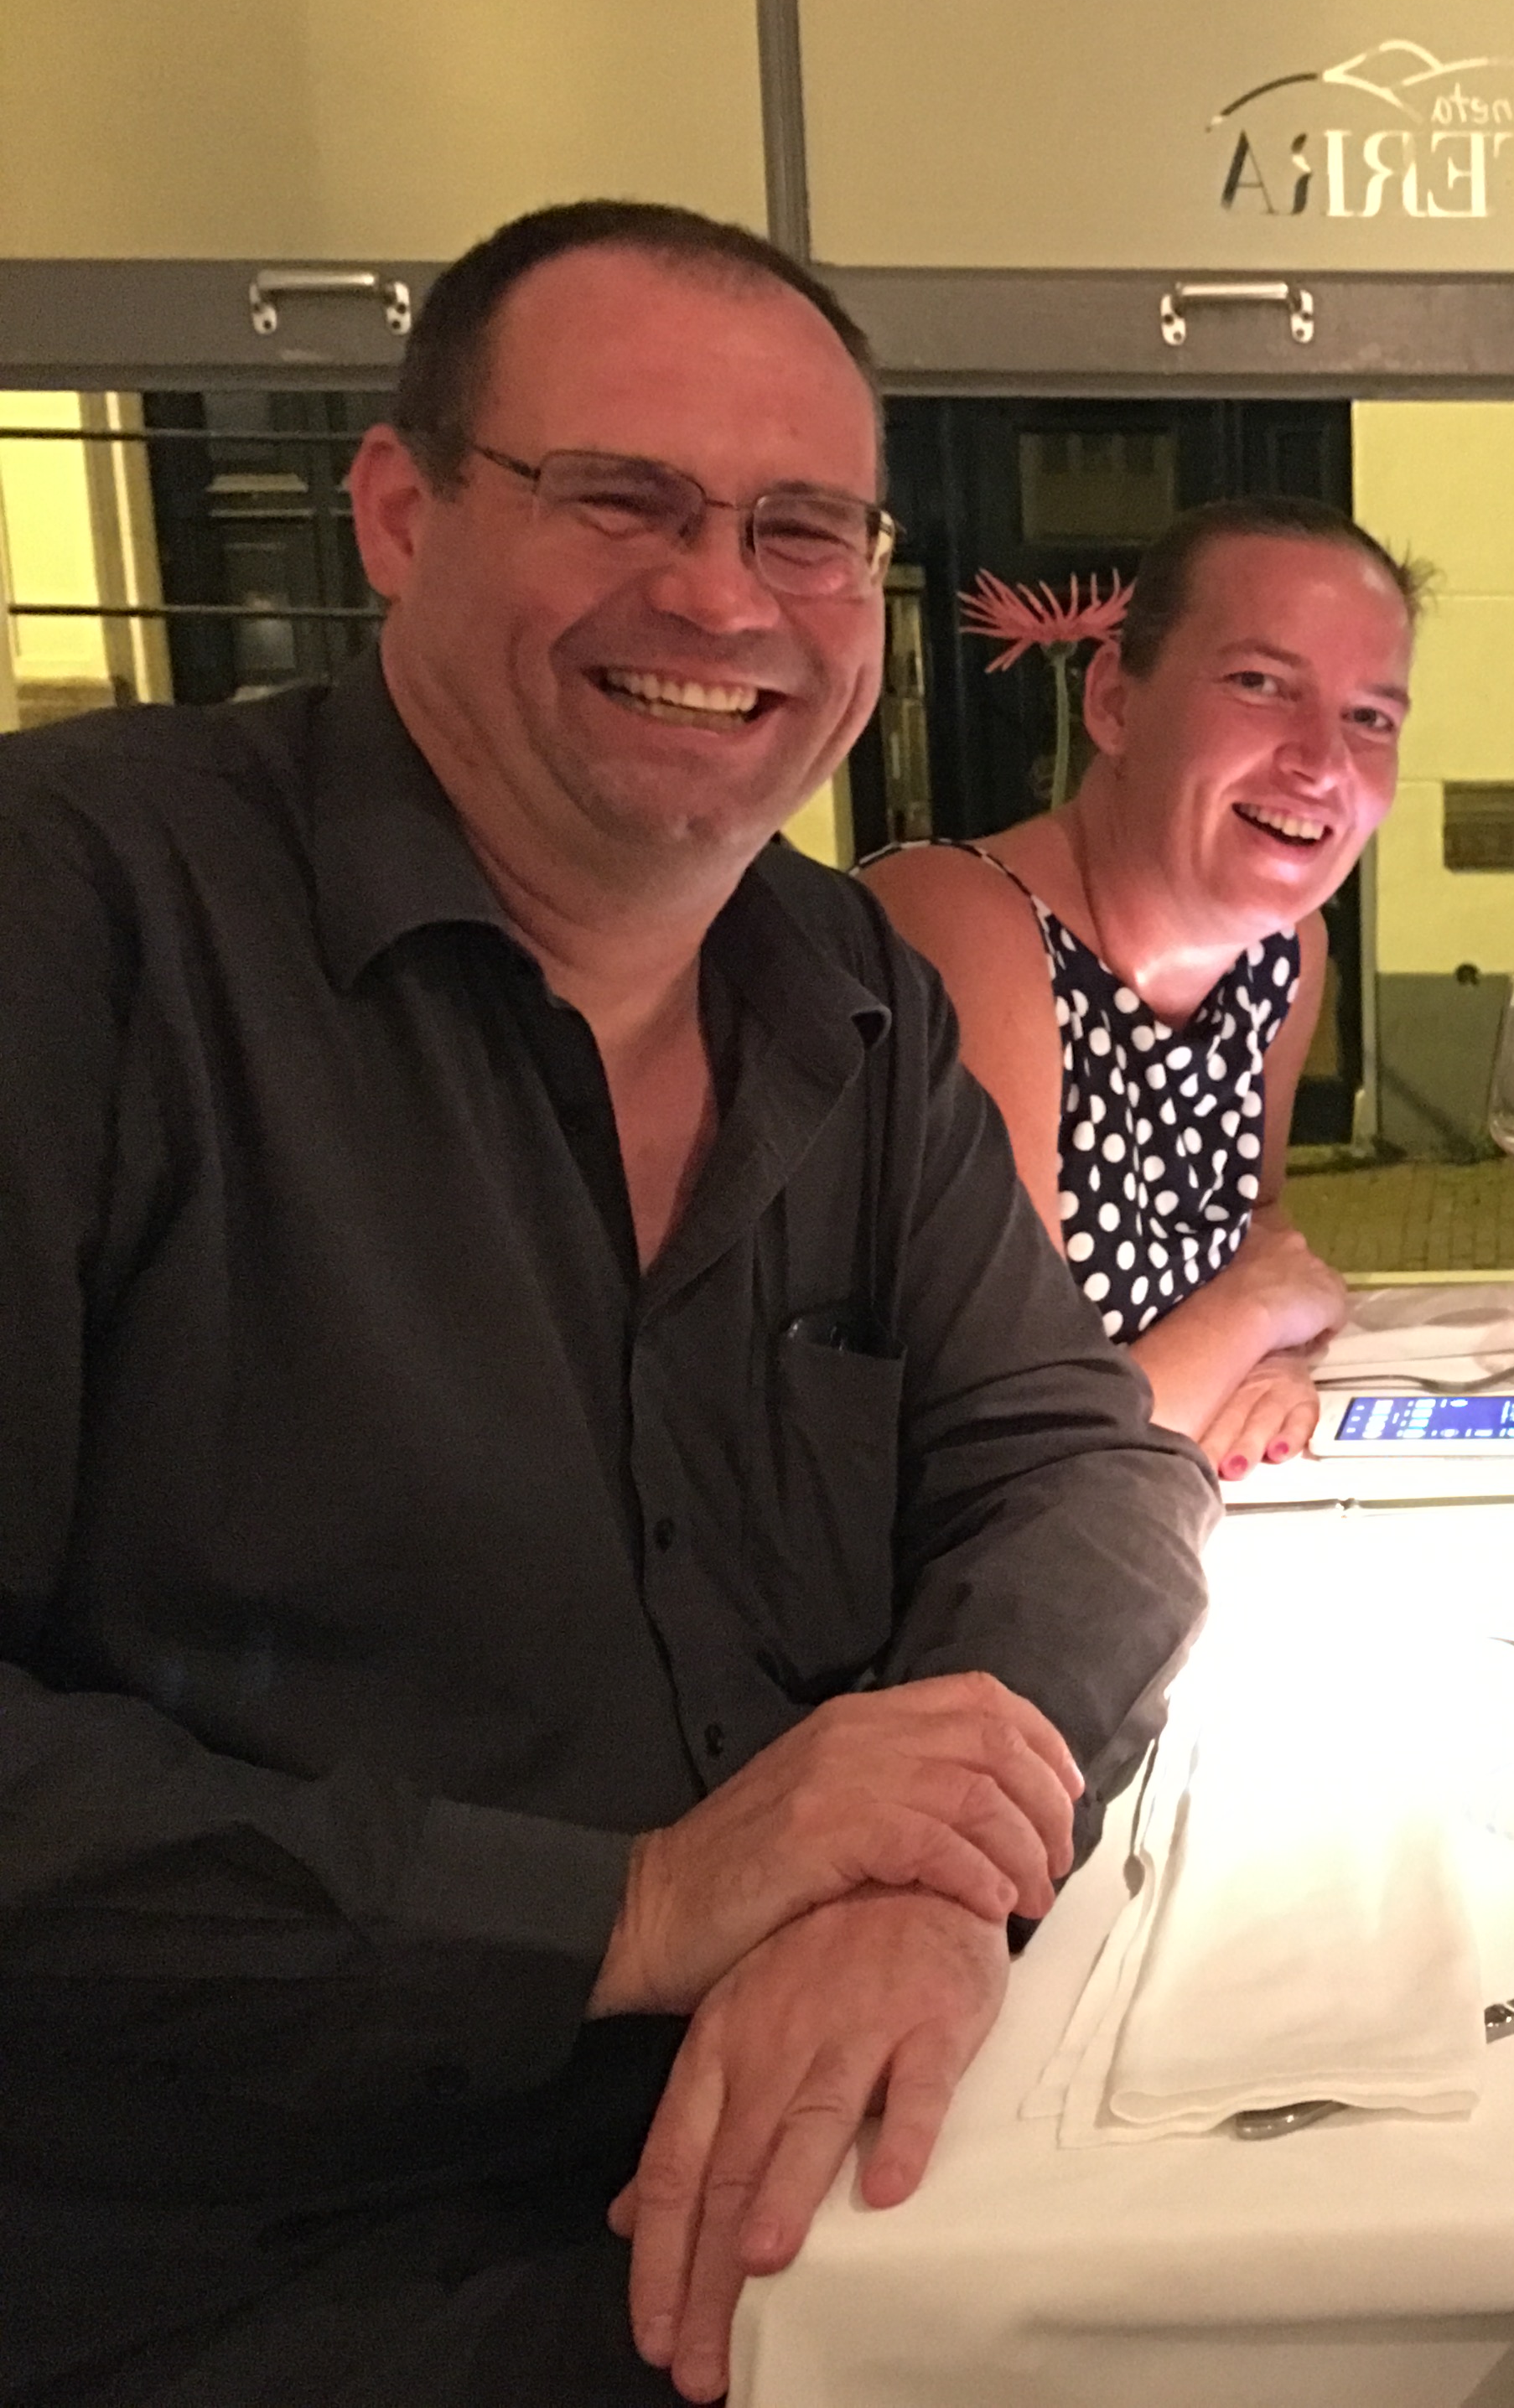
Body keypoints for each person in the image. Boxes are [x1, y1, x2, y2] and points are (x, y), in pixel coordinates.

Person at [0, 201, 1212, 2408]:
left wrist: (912, 1869)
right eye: (622, 498)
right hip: (238, 2276)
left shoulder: (840, 987)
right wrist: (635, 1909)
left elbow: (1083, 1471)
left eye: (801, 529)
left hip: (827, 2185)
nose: (724, 597)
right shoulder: (80, 921)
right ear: (402, 512)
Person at [861, 498, 1416, 1480]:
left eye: (1370, 717)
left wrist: (1273, 1357)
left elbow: (1259, 1233)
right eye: (1260, 683)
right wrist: (1256, 1316)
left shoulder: (1285, 955)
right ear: (1114, 701)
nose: (1323, 764)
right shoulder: (960, 925)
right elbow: (1018, 1447)